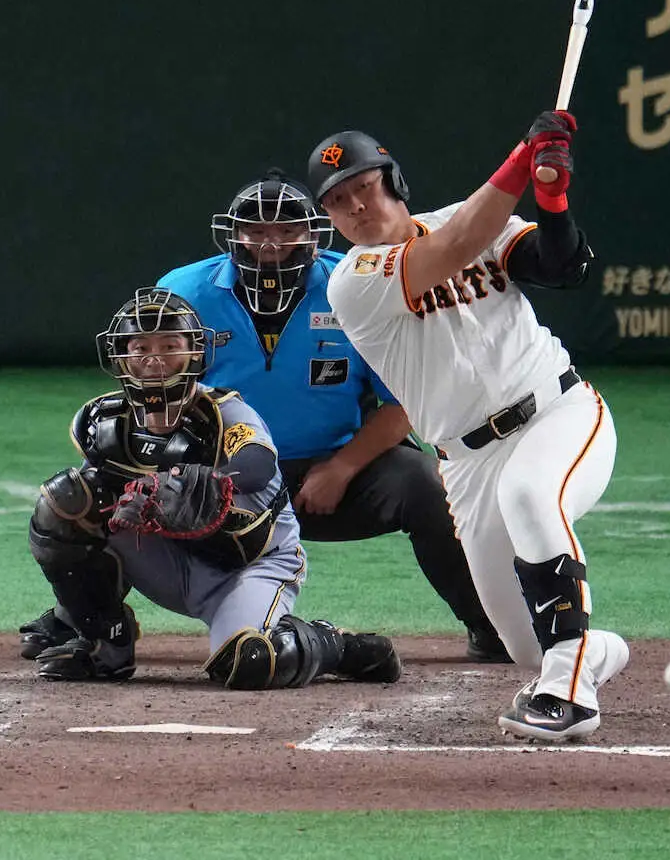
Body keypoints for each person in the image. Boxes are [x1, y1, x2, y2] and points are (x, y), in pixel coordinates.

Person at [303, 113, 628, 741]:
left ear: (392, 180)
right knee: (527, 648)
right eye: (337, 202)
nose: (354, 207)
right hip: (467, 463)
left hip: (558, 413)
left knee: (531, 495)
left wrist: (553, 196)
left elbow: (560, 266)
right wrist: (522, 157)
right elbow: (450, 248)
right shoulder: (352, 282)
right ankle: (586, 659)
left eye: (361, 186)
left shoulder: (475, 219)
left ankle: (569, 700)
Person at [150, 168, 510, 663]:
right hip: (224, 474)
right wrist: (188, 473)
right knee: (112, 485)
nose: (269, 243)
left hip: (330, 470)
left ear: (313, 232)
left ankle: (489, 624)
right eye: (255, 230)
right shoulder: (184, 290)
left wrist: (342, 468)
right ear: (232, 233)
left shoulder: (359, 283)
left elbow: (406, 401)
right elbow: (153, 390)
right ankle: (89, 620)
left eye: (286, 229)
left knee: (427, 484)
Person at [21, 286, 400, 689]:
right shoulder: (104, 421)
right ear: (119, 355)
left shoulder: (223, 411)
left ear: (195, 353)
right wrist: (79, 599)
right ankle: (103, 643)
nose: (154, 359)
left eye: (169, 346)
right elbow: (89, 516)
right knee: (66, 501)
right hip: (165, 557)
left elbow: (257, 463)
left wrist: (213, 483)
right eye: (140, 347)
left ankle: (336, 645)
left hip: (248, 562)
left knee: (253, 662)